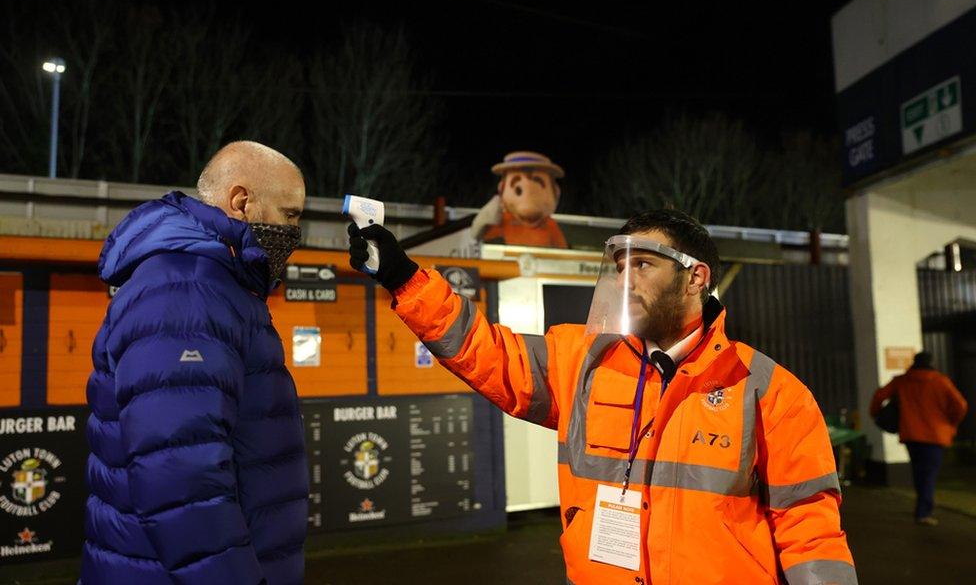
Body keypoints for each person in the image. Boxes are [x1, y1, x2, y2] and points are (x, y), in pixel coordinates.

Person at [347, 209, 856, 584]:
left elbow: (810, 527)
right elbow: (487, 352)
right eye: (619, 265)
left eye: (643, 266)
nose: (624, 279)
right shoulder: (583, 360)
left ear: (695, 277)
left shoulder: (769, 390)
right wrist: (404, 279)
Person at [82, 141, 309, 584]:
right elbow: (180, 474)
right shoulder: (188, 288)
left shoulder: (214, 285)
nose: (296, 232)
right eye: (291, 215)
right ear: (242, 202)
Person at [870, 351, 968, 526]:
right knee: (929, 473)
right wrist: (950, 422)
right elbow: (960, 405)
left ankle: (921, 507)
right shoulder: (940, 381)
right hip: (935, 436)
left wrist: (876, 414)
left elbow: (879, 396)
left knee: (919, 472)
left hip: (911, 434)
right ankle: (923, 512)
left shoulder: (902, 381)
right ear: (932, 362)